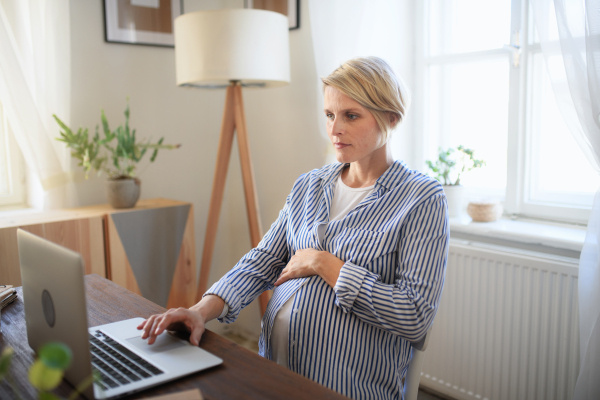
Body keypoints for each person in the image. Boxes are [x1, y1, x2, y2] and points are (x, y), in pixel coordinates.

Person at [138, 56, 449, 400]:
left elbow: (414, 316)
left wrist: (324, 264)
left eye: (351, 115)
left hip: (346, 387)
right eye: (330, 115)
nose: (334, 129)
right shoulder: (309, 185)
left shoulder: (422, 198)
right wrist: (199, 311)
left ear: (391, 118)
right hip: (273, 371)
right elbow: (261, 262)